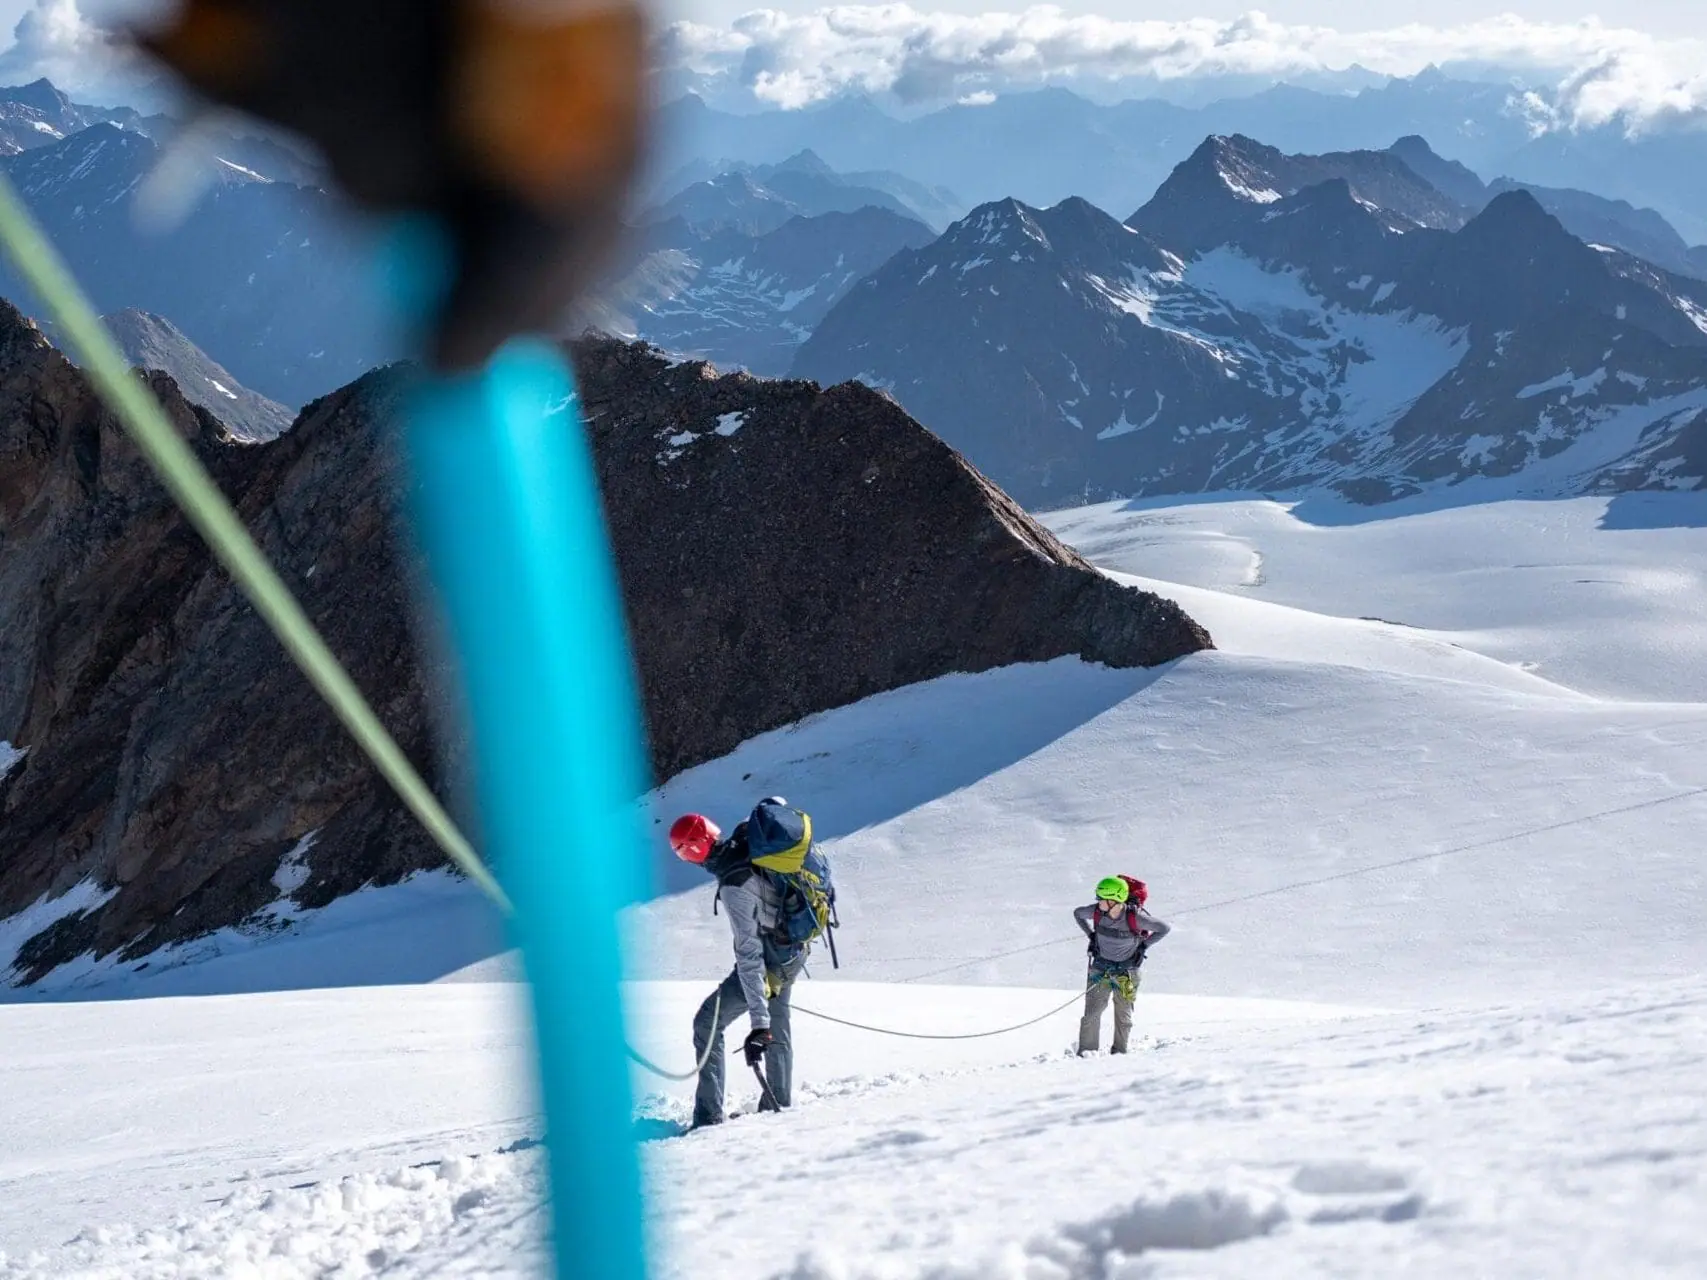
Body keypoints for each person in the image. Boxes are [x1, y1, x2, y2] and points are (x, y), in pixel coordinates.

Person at [670, 805, 809, 1128]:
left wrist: (757, 1024)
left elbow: (749, 956)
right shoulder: (749, 840)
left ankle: (708, 1118)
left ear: (692, 850)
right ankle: (779, 1104)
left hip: (771, 960)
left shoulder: (734, 886)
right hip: (793, 948)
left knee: (708, 1022)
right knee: (779, 1020)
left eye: (682, 854)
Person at [1074, 875, 1170, 1055]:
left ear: (1115, 900)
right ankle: (1086, 1054)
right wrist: (1091, 935)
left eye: (1103, 899)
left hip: (1128, 974)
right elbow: (1078, 913)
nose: (1099, 903)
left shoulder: (1136, 918)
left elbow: (1164, 928)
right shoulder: (1096, 912)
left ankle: (1119, 1054)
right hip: (1100, 970)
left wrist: (1144, 946)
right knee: (1091, 1015)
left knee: (1123, 1016)